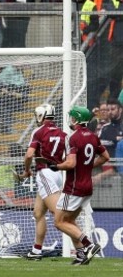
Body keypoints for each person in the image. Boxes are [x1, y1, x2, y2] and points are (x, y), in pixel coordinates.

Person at [53, 106, 110, 265]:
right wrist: (89, 166)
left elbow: (70, 163)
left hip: (73, 188)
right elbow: (105, 157)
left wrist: (56, 166)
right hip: (87, 187)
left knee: (59, 222)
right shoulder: (93, 136)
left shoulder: (74, 137)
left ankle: (89, 245)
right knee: (70, 221)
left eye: (72, 117)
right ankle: (80, 254)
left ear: (76, 119)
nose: (70, 119)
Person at [21, 104, 66, 260]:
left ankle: (83, 243)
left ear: (41, 116)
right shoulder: (62, 133)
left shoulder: (38, 131)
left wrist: (27, 170)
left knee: (59, 214)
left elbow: (29, 155)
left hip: (45, 173)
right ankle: (36, 250)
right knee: (38, 213)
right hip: (58, 173)